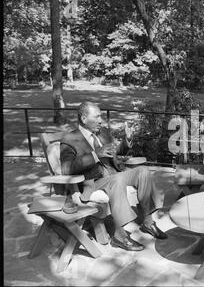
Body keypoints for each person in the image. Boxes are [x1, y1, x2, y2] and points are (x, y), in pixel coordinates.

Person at [60, 101, 168, 252]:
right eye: (97, 117)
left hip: (115, 173)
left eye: (101, 116)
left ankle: (148, 222)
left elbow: (114, 152)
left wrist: (127, 140)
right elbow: (66, 169)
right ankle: (119, 236)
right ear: (84, 119)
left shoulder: (102, 132)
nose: (101, 120)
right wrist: (94, 155)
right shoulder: (69, 140)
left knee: (143, 171)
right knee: (116, 181)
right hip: (93, 182)